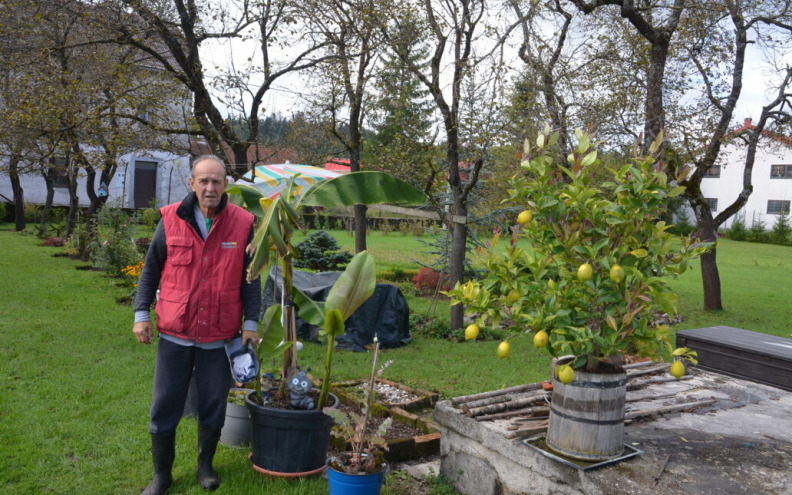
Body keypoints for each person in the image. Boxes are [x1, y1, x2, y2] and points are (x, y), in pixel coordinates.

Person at [132, 155, 261, 494]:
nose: (210, 187)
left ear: (226, 185)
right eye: (203, 180)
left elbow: (251, 279)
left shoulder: (243, 223)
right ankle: (162, 475)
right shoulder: (171, 218)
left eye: (216, 181)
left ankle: (206, 465)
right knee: (165, 404)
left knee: (213, 404)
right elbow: (151, 269)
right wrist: (141, 314)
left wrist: (251, 323)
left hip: (219, 335)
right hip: (175, 333)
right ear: (192, 183)